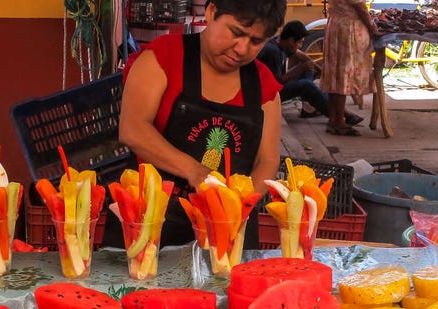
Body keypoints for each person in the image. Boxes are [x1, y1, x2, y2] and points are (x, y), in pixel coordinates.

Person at [118, 0, 287, 247]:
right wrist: (195, 171)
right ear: (211, 12)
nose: (242, 49)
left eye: (256, 41)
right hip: (152, 225)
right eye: (236, 32)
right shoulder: (163, 57)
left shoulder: (264, 84)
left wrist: (239, 205)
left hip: (229, 231)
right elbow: (132, 129)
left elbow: (268, 161)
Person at [256, 20, 363, 126]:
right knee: (306, 86)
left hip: (279, 84)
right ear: (290, 40)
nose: (300, 45)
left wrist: (317, 68)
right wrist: (300, 69)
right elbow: (276, 82)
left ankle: (311, 105)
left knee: (308, 74)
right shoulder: (272, 52)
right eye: (299, 42)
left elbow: (299, 54)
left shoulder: (281, 42)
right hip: (268, 94)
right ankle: (341, 113)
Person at [320, 0, 380, 137]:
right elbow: (359, 6)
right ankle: (340, 122)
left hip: (335, 25)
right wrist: (372, 27)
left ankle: (333, 120)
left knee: (334, 74)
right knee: (343, 74)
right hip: (348, 29)